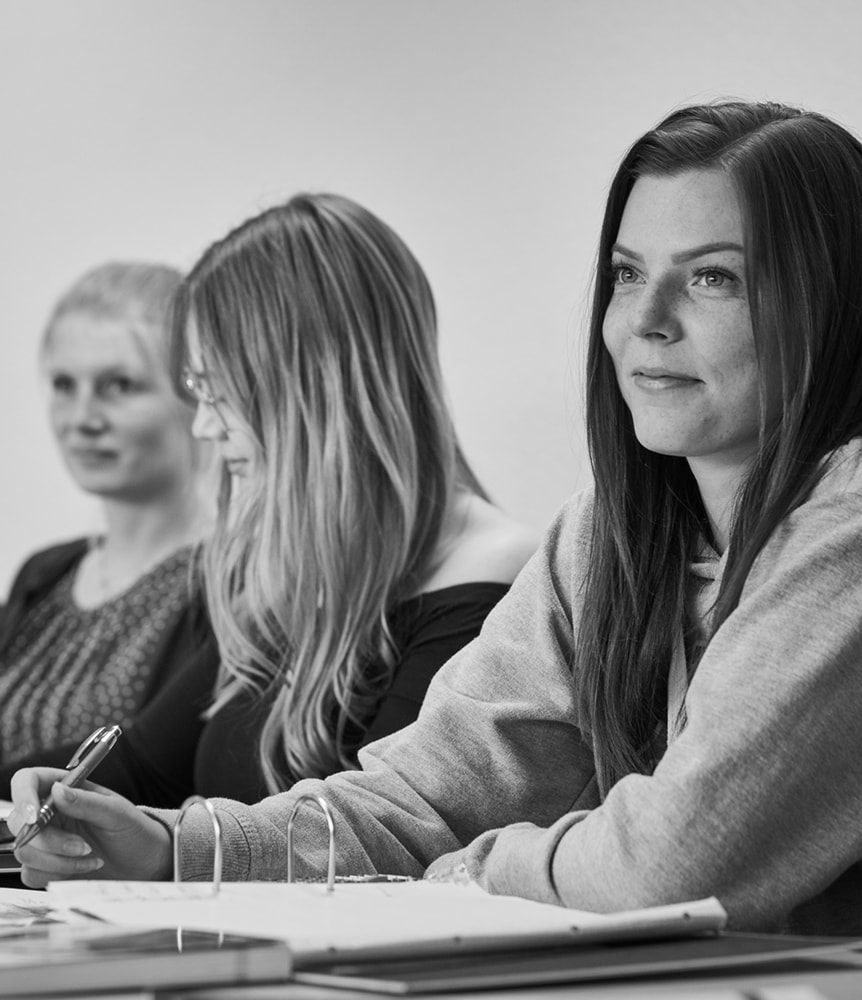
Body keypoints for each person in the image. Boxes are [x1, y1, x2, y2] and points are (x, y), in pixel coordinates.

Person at [11, 102, 862, 966]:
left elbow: (674, 866)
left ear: (829, 302)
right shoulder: (612, 527)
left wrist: (459, 877)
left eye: (712, 278)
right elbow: (425, 798)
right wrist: (173, 848)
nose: (645, 320)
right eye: (626, 274)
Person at [5, 193, 536, 808]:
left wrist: (168, 842)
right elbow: (143, 768)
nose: (203, 426)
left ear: (306, 385)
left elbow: (372, 831)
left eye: (217, 392)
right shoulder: (296, 572)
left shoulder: (494, 574)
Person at [0, 262, 215, 795]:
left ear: (197, 395)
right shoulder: (46, 573)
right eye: (64, 385)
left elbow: (151, 770)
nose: (83, 418)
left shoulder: (228, 583)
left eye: (120, 386)